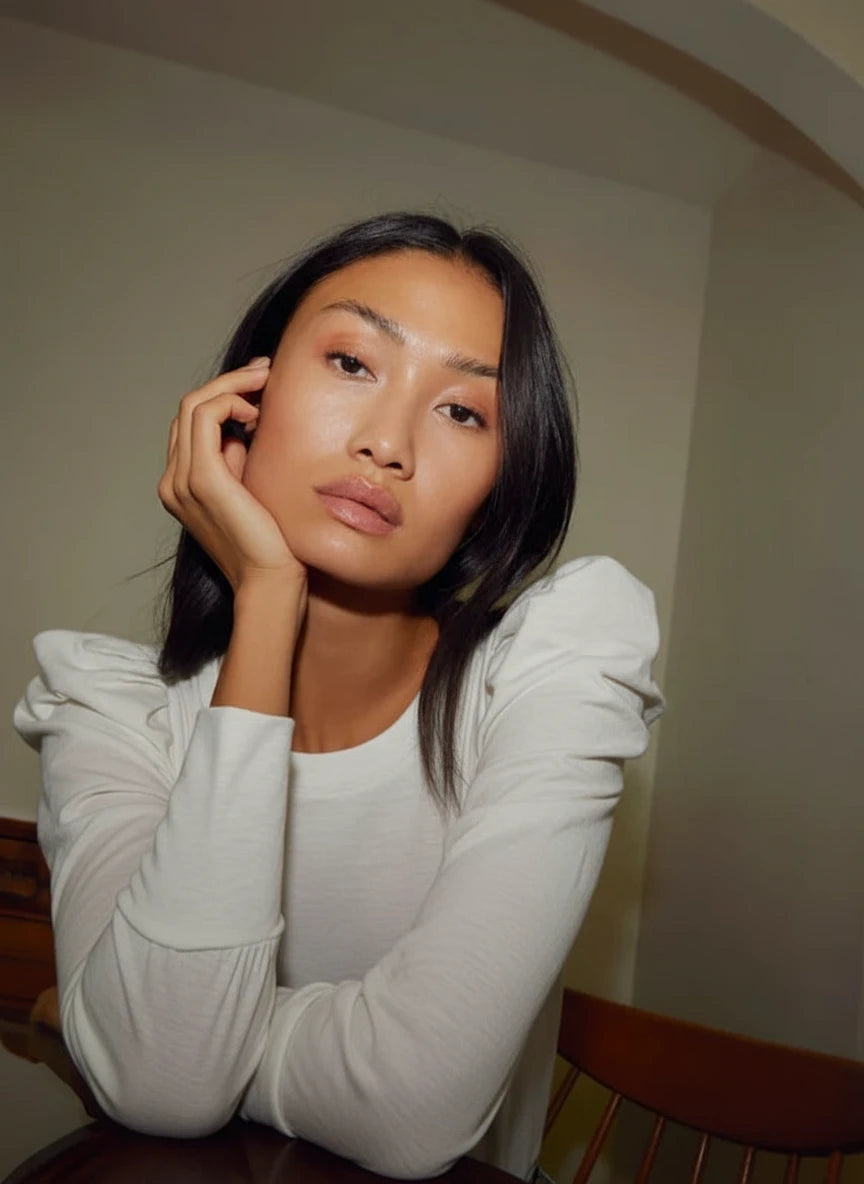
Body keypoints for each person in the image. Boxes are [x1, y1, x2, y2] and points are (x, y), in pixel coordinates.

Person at [13, 211, 664, 1181]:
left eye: (464, 411)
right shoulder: (112, 709)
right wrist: (268, 600)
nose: (388, 442)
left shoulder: (548, 674)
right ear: (247, 396)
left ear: (500, 483)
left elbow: (411, 1109)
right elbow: (159, 1085)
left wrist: (168, 1029)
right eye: (354, 362)